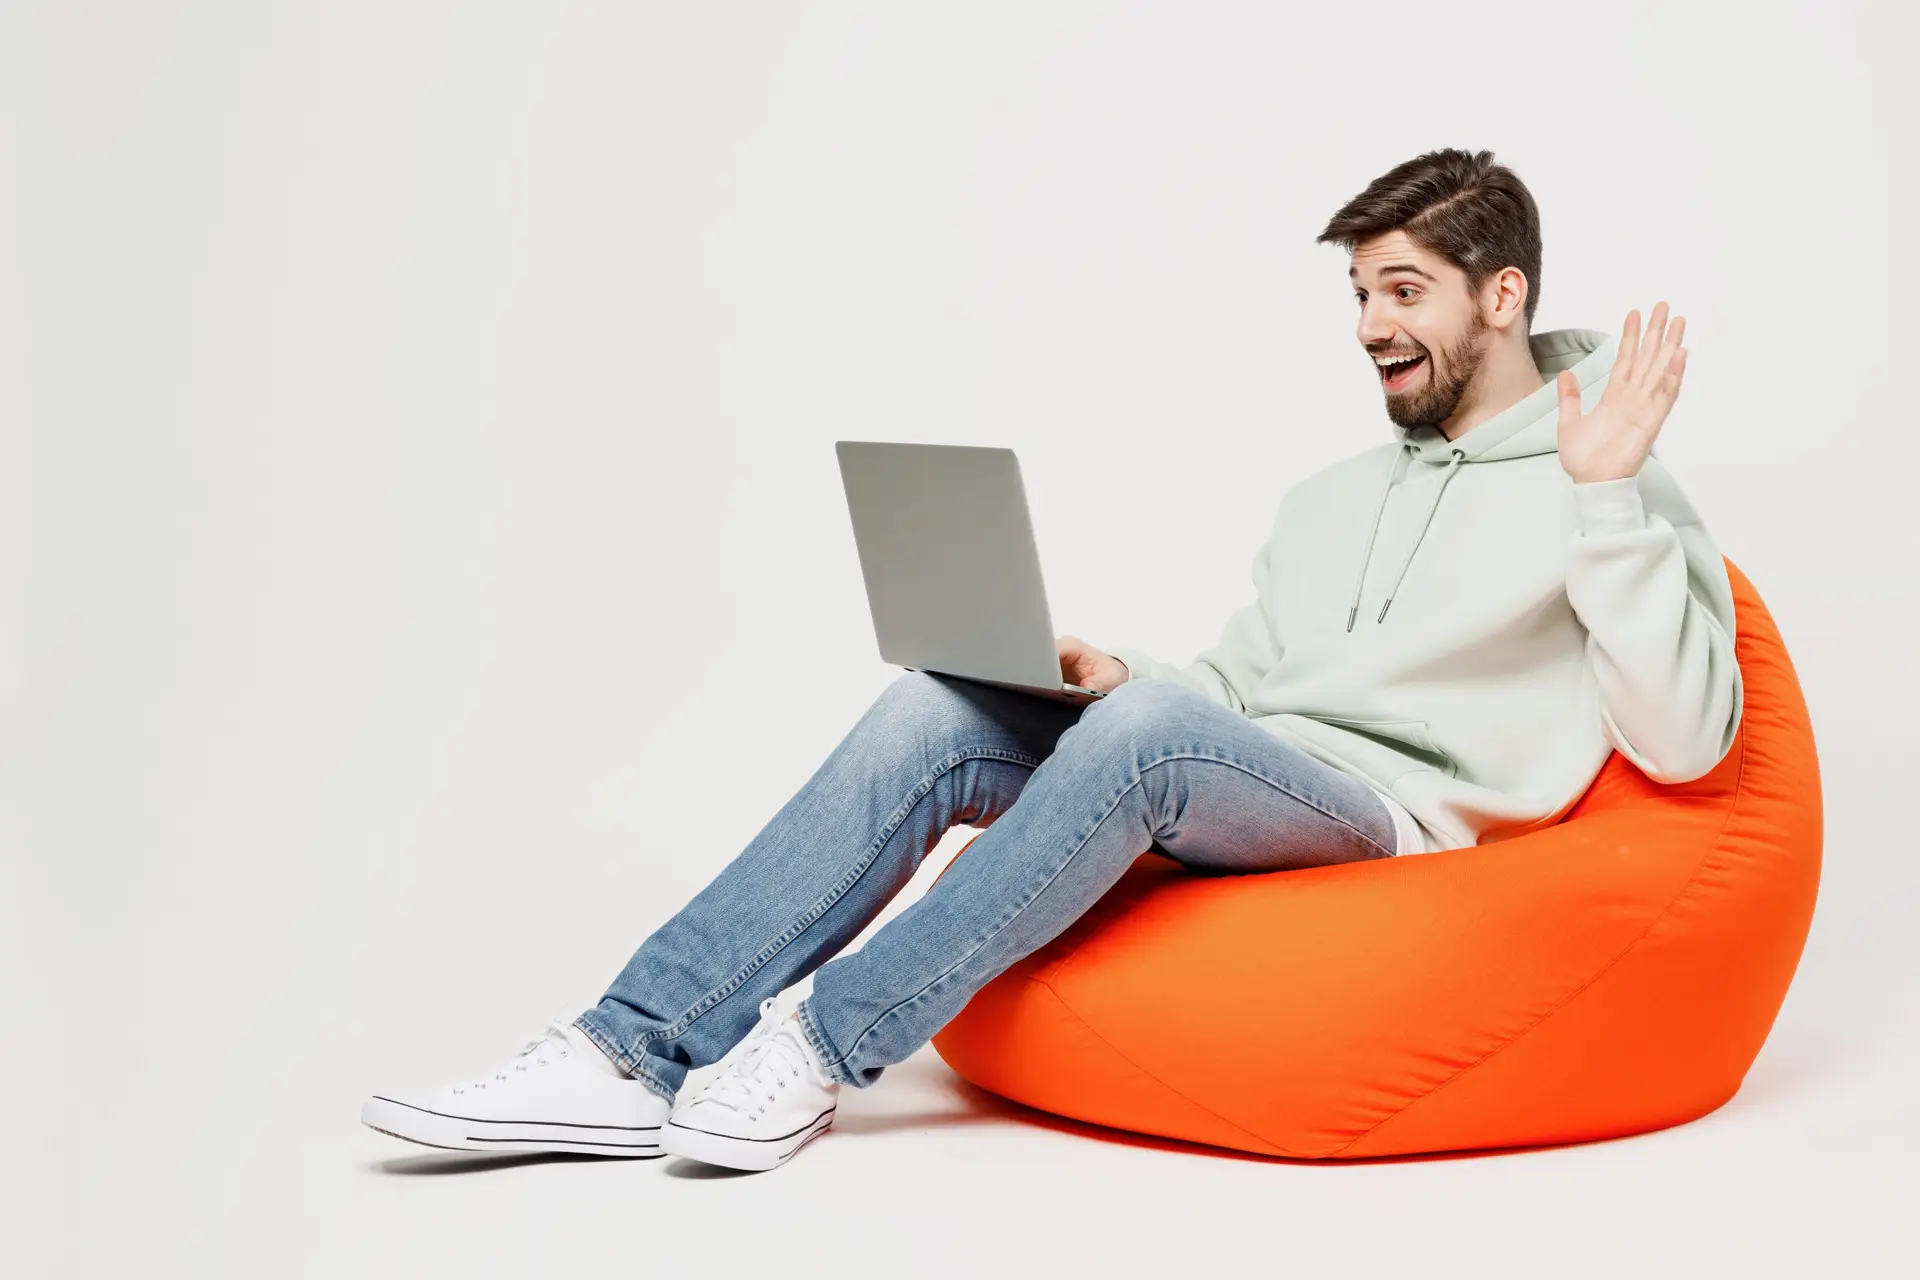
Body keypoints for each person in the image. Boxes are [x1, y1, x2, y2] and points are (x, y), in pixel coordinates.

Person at [361, 147, 1743, 1172]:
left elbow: (1690, 742)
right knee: (943, 710)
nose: (1373, 323)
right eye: (1359, 291)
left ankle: (820, 1044)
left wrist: (1606, 497)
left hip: (1391, 827)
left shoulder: (1599, 468)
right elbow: (1240, 685)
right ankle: (628, 1048)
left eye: (1405, 289)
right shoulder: (1330, 498)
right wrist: (1106, 669)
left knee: (1143, 739)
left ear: (1503, 296)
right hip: (1251, 768)